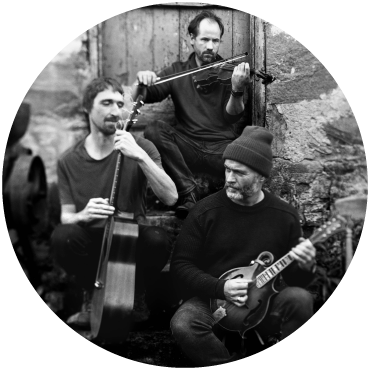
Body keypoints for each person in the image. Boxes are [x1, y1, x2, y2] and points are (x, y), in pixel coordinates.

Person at [170, 126, 317, 366]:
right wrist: (220, 287)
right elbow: (180, 266)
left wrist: (306, 265)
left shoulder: (283, 215)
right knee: (184, 324)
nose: (229, 178)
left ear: (261, 176)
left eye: (239, 172)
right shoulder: (205, 212)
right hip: (212, 300)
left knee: (300, 299)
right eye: (227, 169)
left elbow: (296, 280)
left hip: (265, 302)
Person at [51, 77, 178, 327]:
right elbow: (66, 216)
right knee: (62, 236)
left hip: (129, 238)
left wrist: (140, 156)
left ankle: (135, 296)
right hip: (92, 242)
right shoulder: (68, 160)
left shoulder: (141, 146)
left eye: (120, 104)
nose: (115, 110)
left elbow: (171, 197)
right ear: (88, 107)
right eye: (106, 103)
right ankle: (91, 295)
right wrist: (82, 215)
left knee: (157, 239)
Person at [131, 10, 251, 218]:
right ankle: (189, 192)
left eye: (216, 40)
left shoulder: (230, 72)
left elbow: (232, 115)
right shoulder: (178, 71)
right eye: (204, 39)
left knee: (245, 152)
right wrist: (142, 82)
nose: (210, 46)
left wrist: (237, 89)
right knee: (155, 130)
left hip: (220, 150)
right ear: (192, 40)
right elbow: (145, 96)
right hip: (188, 147)